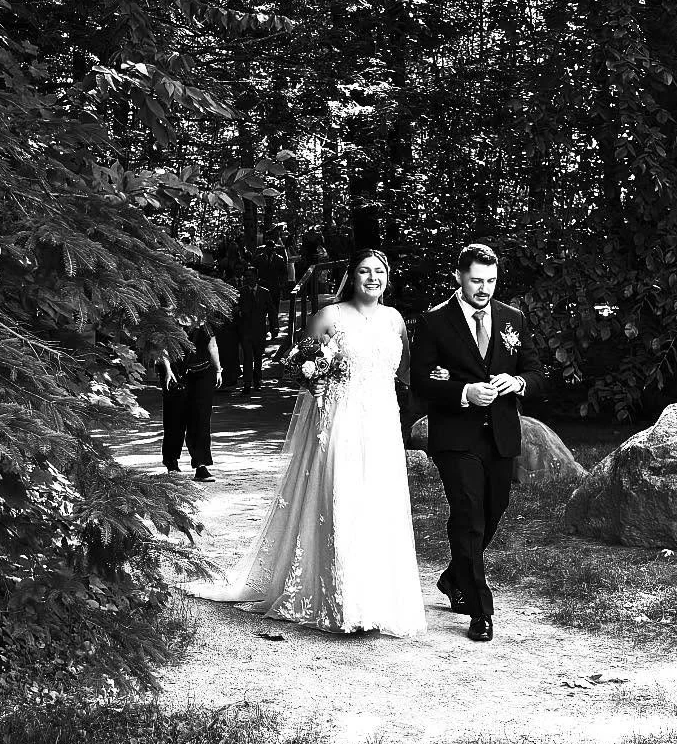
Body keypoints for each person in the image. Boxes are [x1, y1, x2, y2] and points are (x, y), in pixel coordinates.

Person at [186, 249, 425, 636]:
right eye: (364, 271)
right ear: (352, 276)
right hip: (341, 421)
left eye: (380, 271)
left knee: (379, 503)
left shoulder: (395, 320)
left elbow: (405, 373)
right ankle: (344, 601)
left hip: (381, 423)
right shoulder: (331, 315)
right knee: (341, 499)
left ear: (388, 276)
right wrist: (313, 378)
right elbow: (295, 361)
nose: (372, 278)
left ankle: (380, 600)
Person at [411, 242, 548, 643]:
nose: (484, 288)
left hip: (501, 434)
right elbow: (419, 382)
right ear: (459, 277)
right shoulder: (435, 321)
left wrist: (518, 382)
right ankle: (479, 608)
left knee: (493, 509)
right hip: (456, 435)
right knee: (469, 513)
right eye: (476, 280)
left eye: (490, 280)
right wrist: (463, 392)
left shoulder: (513, 319)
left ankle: (454, 577)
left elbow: (538, 373)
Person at [160, 321, 223, 481]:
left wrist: (218, 369)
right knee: (175, 418)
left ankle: (201, 465)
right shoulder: (169, 319)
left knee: (201, 419)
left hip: (202, 373)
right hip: (176, 373)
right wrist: (167, 370)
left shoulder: (205, 322)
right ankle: (171, 464)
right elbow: (163, 347)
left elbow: (213, 346)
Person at [233, 268, 274, 395]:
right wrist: (239, 312)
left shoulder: (264, 293)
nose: (248, 278)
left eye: (250, 276)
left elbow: (271, 311)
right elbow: (234, 309)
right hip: (245, 330)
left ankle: (257, 381)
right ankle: (247, 383)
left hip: (259, 330)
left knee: (258, 357)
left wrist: (274, 328)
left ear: (256, 277)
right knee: (247, 357)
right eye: (246, 276)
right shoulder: (240, 292)